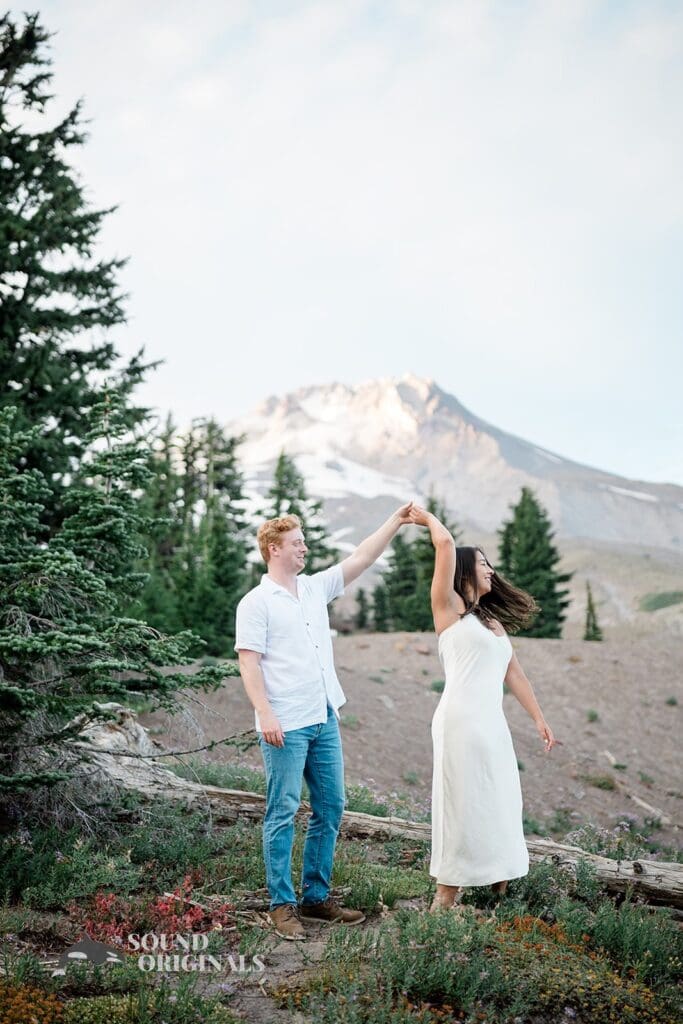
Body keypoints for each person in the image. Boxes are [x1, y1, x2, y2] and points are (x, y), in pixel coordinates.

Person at [235, 503, 413, 939]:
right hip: (285, 724)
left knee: (330, 806)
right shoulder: (256, 602)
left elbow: (361, 558)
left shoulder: (314, 589)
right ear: (274, 549)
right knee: (282, 811)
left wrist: (395, 520)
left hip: (323, 717)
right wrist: (265, 713)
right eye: (297, 543)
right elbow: (249, 663)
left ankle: (316, 898)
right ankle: (282, 905)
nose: (305, 549)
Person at [407, 504, 558, 912]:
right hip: (460, 720)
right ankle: (445, 898)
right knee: (462, 801)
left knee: (500, 799)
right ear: (464, 571)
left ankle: (499, 896)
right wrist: (425, 519)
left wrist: (540, 720)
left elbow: (516, 674)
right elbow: (445, 542)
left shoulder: (493, 624)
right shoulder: (448, 608)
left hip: (492, 723)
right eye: (483, 563)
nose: (490, 569)